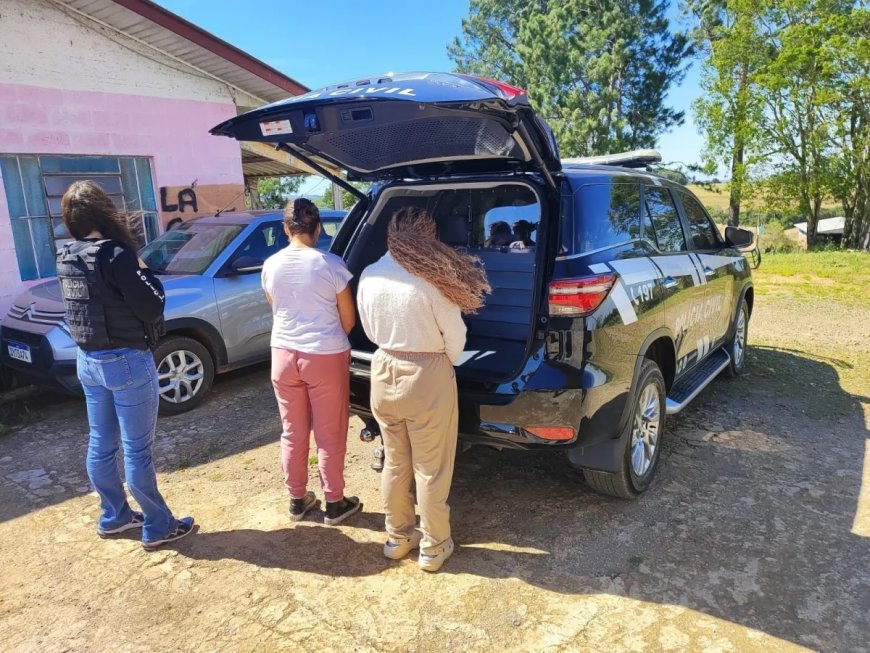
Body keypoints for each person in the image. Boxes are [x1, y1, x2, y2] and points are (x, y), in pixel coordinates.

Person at [56, 180, 194, 550]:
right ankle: (158, 526)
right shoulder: (116, 254)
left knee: (101, 443)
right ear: (105, 211)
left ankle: (114, 516)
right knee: (136, 450)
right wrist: (143, 268)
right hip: (126, 362)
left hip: (88, 360)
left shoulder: (68, 254)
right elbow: (152, 306)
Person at [357, 206, 490, 572]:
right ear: (428, 236)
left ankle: (398, 538)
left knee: (395, 460)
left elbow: (369, 331)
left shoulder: (369, 274)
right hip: (426, 373)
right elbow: (457, 340)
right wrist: (441, 360)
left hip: (383, 369)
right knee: (431, 468)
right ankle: (433, 546)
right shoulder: (434, 279)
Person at [262, 198, 362, 525]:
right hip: (324, 355)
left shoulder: (270, 265)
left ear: (285, 228)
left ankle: (297, 500)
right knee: (329, 432)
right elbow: (348, 319)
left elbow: (274, 307)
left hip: (282, 354)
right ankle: (334, 502)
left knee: (292, 431)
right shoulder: (331, 264)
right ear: (318, 228)